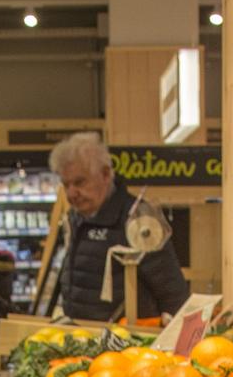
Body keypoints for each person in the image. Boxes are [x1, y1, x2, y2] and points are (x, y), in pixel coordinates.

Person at [48, 131, 189, 323]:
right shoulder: (75, 218)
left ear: (105, 174)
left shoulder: (138, 219)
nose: (72, 193)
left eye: (80, 182)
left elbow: (172, 291)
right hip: (82, 339)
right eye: (66, 184)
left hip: (129, 344)